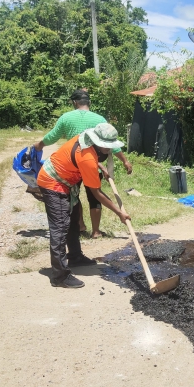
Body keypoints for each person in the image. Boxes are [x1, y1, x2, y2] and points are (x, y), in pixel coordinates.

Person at [37, 123, 131, 288]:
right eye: (108, 147)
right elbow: (97, 193)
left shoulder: (86, 139)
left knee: (73, 219)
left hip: (65, 181)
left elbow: (88, 158)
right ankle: (60, 276)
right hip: (53, 182)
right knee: (60, 226)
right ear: (99, 143)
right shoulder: (87, 157)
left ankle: (75, 256)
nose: (109, 150)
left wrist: (99, 165)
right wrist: (119, 213)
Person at [34, 89, 133, 238]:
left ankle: (80, 225)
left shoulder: (66, 117)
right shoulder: (99, 119)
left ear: (74, 102)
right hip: (82, 165)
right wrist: (125, 160)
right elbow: (111, 146)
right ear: (89, 103)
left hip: (77, 167)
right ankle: (96, 231)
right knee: (94, 195)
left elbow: (53, 136)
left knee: (75, 195)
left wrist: (40, 145)